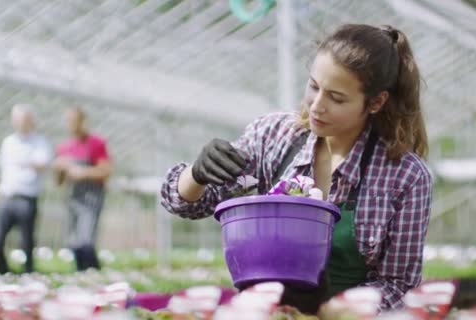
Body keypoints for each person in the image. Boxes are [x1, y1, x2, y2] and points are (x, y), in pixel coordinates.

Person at [160, 24, 432, 313]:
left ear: (376, 102)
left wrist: (329, 310)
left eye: (336, 98)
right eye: (314, 86)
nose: (316, 106)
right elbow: (183, 204)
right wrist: (197, 174)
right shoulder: (273, 136)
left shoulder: (405, 176)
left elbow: (398, 286)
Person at [0, 104, 52, 274]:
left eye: (24, 119)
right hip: (7, 197)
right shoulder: (8, 142)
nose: (20, 123)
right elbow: (3, 170)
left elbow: (43, 164)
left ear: (31, 121)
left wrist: (25, 162)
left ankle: (27, 276)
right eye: (16, 119)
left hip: (27, 199)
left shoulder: (40, 142)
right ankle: (5, 274)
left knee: (26, 243)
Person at [53, 106, 112, 271]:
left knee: (86, 241)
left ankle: (94, 274)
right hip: (72, 198)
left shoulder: (95, 143)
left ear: (83, 121)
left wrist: (83, 172)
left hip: (91, 198)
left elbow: (106, 170)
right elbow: (59, 182)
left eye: (74, 120)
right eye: (68, 120)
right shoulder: (63, 147)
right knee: (73, 242)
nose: (71, 124)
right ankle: (82, 275)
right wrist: (58, 169)